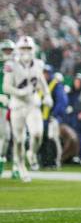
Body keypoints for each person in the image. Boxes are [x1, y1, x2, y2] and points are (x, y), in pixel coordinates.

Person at [2, 36, 53, 182]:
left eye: (28, 48)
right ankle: (21, 167)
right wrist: (19, 92)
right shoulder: (11, 65)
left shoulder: (38, 64)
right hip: (17, 105)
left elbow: (41, 81)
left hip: (32, 103)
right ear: (18, 50)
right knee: (19, 140)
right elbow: (6, 86)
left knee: (37, 134)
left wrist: (47, 95)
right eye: (23, 48)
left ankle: (32, 153)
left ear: (33, 49)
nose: (26, 51)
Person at [0, 39, 15, 175]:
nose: (8, 53)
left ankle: (17, 166)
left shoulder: (17, 65)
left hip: (15, 104)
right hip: (2, 105)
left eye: (10, 50)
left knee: (15, 136)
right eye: (6, 50)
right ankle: (1, 161)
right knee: (4, 135)